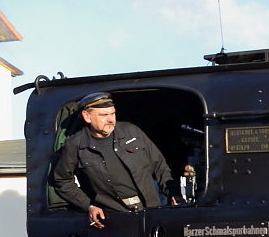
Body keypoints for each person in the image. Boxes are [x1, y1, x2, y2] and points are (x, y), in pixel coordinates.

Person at [50, 92, 178, 228]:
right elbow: (61, 181)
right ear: (87, 116)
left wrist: (172, 192)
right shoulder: (75, 145)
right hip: (112, 217)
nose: (110, 119)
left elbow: (159, 165)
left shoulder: (131, 131)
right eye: (103, 115)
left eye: (112, 113)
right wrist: (89, 206)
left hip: (151, 210)